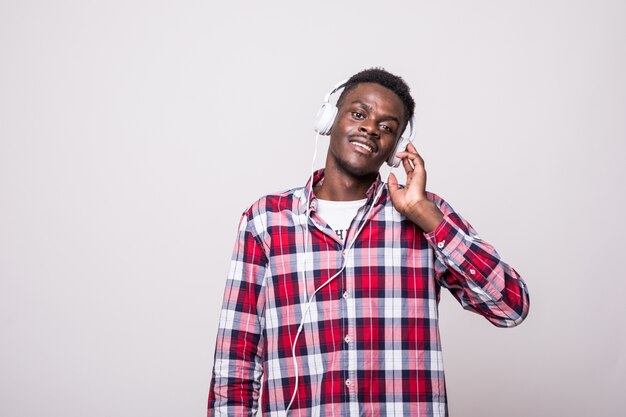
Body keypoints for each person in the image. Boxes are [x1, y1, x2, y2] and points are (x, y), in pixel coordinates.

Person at [207, 68, 529, 417]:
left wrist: (426, 215)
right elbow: (235, 362)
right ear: (330, 119)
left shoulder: (424, 217)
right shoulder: (266, 221)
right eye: (359, 114)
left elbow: (509, 307)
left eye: (387, 127)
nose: (370, 128)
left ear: (396, 148)